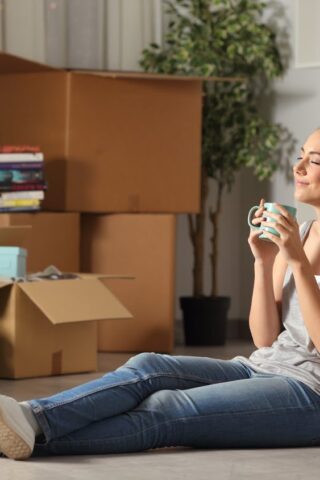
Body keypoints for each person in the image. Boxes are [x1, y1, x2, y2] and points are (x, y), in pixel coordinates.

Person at [2, 128, 320, 461]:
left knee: (167, 408)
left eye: (313, 161)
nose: (298, 168)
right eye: (300, 156)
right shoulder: (299, 235)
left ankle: (26, 438)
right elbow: (265, 340)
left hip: (308, 394)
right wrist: (263, 261)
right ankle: (30, 418)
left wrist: (297, 263)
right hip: (261, 367)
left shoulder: (295, 248)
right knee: (149, 366)